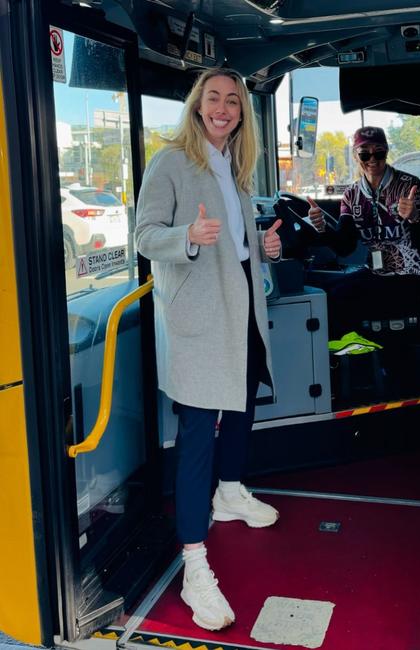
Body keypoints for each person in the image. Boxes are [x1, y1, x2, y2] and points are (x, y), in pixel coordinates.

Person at [135, 68, 282, 632]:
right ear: (198, 106)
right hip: (200, 316)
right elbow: (147, 237)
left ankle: (230, 494)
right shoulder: (171, 160)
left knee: (243, 406)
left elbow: (240, 247)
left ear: (242, 113)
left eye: (233, 102)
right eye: (213, 98)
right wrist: (186, 240)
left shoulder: (238, 167)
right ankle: (194, 564)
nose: (222, 108)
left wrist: (263, 247)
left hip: (242, 308)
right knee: (199, 432)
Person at [306, 126, 420, 337]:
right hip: (375, 273)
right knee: (318, 290)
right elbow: (345, 246)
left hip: (410, 277)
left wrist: (415, 217)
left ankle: (353, 359)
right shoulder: (352, 194)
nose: (372, 159)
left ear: (387, 151)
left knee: (337, 298)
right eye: (365, 152)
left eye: (379, 152)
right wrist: (322, 228)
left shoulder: (409, 186)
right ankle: (347, 360)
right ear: (356, 155)